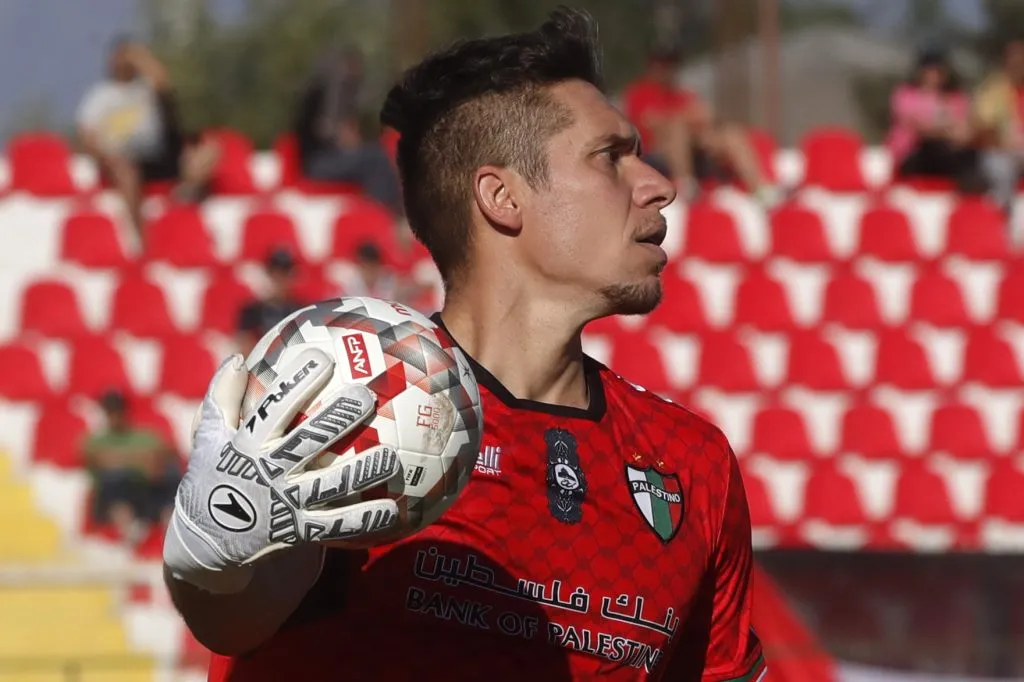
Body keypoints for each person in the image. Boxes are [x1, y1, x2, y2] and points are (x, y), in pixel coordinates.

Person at [164, 8, 766, 681]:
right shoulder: (355, 406)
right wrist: (207, 555)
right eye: (611, 158)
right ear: (501, 197)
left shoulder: (696, 464)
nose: (659, 185)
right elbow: (236, 617)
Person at [76, 37, 218, 238]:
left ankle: (184, 196)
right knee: (125, 170)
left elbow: (163, 81)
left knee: (209, 149)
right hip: (122, 159)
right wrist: (105, 156)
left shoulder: (145, 88)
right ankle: (140, 238)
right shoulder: (99, 96)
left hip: (156, 153)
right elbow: (87, 136)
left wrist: (139, 57)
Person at [623, 46, 775, 206]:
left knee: (731, 134)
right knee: (677, 129)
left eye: (671, 64)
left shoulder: (682, 94)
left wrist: (693, 121)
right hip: (657, 153)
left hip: (694, 148)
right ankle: (686, 185)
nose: (667, 69)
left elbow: (705, 116)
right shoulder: (639, 93)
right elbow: (653, 123)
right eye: (662, 64)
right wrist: (687, 119)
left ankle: (761, 189)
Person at [292, 45, 405, 217]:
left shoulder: (340, 98)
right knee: (374, 159)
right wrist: (340, 137)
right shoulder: (318, 97)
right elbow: (323, 134)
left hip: (332, 157)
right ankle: (379, 214)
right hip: (317, 163)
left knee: (376, 156)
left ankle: (388, 210)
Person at [82, 389, 180, 543]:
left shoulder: (145, 435)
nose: (115, 416)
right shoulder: (96, 441)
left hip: (149, 492)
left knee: (172, 477)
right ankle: (130, 532)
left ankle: (173, 529)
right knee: (113, 481)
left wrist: (154, 463)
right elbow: (101, 461)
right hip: (118, 497)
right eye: (111, 411)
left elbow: (169, 453)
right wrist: (140, 460)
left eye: (117, 411)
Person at [888, 48, 977, 183]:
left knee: (971, 154)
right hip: (913, 153)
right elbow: (920, 128)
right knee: (935, 147)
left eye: (938, 70)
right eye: (929, 70)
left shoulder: (955, 97)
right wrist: (947, 130)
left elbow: (964, 126)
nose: (934, 75)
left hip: (947, 152)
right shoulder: (906, 94)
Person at [974, 37, 1024, 212]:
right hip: (1000, 150)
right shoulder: (993, 89)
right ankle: (1002, 222)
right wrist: (1006, 144)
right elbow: (984, 129)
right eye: (1014, 58)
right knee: (1001, 170)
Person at [235, 248, 303, 354]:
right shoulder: (251, 311)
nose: (279, 278)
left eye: (284, 272)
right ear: (267, 273)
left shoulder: (302, 310)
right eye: (274, 272)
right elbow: (245, 350)